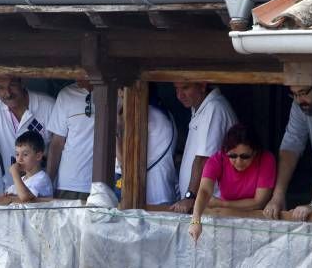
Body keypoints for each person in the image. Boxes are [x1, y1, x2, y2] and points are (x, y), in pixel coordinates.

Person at [189, 124, 276, 242]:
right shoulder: (217, 159)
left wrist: (222, 203)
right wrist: (195, 220)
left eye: (245, 156)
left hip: (259, 226)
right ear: (225, 152)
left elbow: (258, 202)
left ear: (255, 152)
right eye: (232, 156)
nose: (239, 161)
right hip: (227, 223)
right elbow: (204, 190)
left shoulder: (266, 159)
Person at [263, 86, 312, 221]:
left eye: (303, 93)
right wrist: (277, 196)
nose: (298, 100)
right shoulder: (301, 104)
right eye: (294, 95)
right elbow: (291, 146)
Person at [171, 82, 238, 213]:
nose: (179, 95)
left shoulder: (214, 107)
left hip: (212, 206)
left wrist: (190, 196)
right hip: (201, 204)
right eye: (176, 89)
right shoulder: (200, 107)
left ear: (202, 86)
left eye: (185, 87)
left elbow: (203, 159)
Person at [114, 92, 178, 205]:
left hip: (148, 197)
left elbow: (123, 161)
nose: (120, 96)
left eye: (122, 94)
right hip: (163, 192)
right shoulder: (163, 113)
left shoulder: (141, 115)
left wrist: (116, 127)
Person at [46, 79, 94, 200]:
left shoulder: (118, 93)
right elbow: (57, 143)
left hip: (106, 181)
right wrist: (48, 182)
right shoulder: (66, 94)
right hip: (69, 182)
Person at [5, 131, 53, 202]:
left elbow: (25, 197)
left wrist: (15, 173)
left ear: (38, 156)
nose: (19, 159)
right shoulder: (22, 179)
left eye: (25, 154)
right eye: (17, 154)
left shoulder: (42, 178)